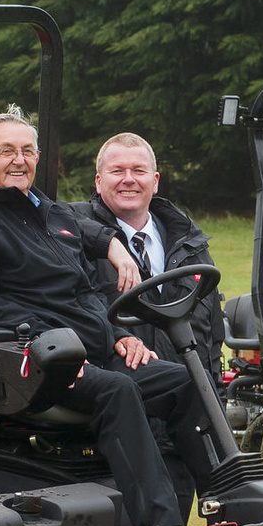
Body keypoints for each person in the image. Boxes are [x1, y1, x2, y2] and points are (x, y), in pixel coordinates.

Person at [0, 106, 204, 526]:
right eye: (6, 151)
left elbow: (84, 287)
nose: (19, 160)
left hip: (94, 352)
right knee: (118, 391)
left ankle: (222, 498)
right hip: (35, 364)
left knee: (184, 382)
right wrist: (50, 345)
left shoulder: (47, 211)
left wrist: (119, 334)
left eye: (27, 150)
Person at [68, 132, 226, 385]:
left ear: (155, 182)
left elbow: (213, 335)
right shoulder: (74, 236)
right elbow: (42, 212)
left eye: (138, 171)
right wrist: (110, 244)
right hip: (125, 394)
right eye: (117, 171)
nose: (128, 179)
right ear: (98, 181)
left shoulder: (189, 243)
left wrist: (216, 395)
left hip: (194, 395)